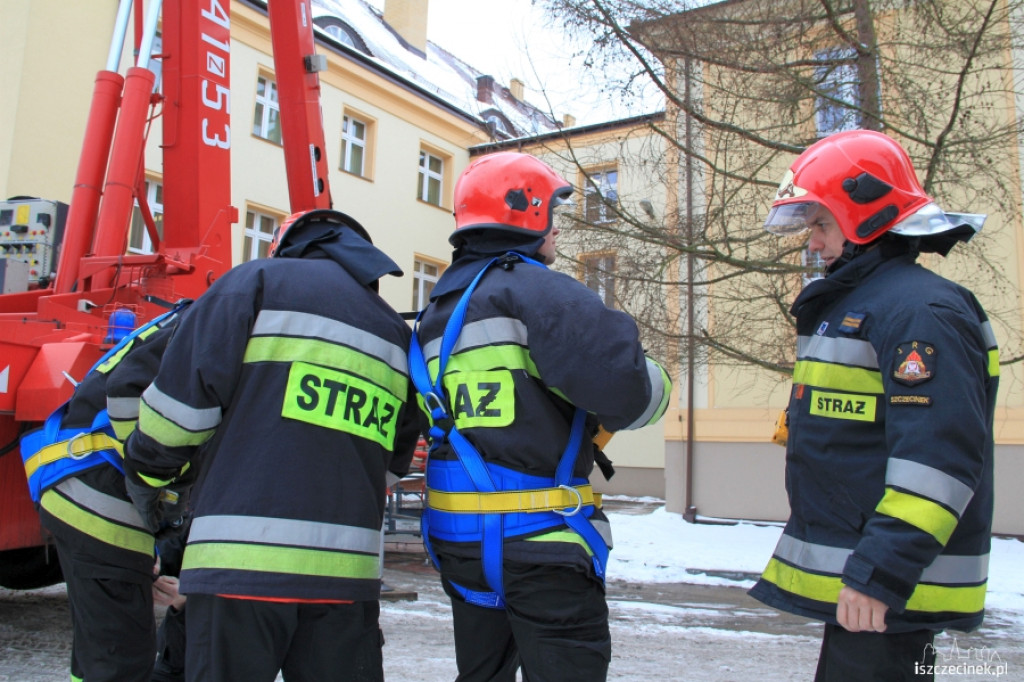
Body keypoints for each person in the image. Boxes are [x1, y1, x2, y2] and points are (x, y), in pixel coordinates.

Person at [123, 208, 423, 682]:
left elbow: (176, 418)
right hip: (347, 581)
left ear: (286, 245)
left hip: (237, 568)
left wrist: (147, 476)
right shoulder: (396, 335)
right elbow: (389, 465)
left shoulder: (255, 283)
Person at [409, 151, 672, 681]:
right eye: (552, 209)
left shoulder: (436, 315)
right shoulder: (540, 292)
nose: (556, 226)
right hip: (541, 544)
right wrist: (658, 380)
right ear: (527, 212)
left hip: (460, 545)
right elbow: (628, 396)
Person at [751, 129, 998, 681]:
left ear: (863, 214)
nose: (812, 242)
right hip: (871, 584)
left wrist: (878, 574)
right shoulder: (868, 304)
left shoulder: (920, 312)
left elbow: (939, 463)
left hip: (887, 591)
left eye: (820, 222)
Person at [19, 301, 191, 682]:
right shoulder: (221, 322)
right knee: (121, 660)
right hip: (97, 491)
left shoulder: (205, 315)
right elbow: (128, 395)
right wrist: (156, 515)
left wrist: (163, 543)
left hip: (83, 479)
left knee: (105, 654)